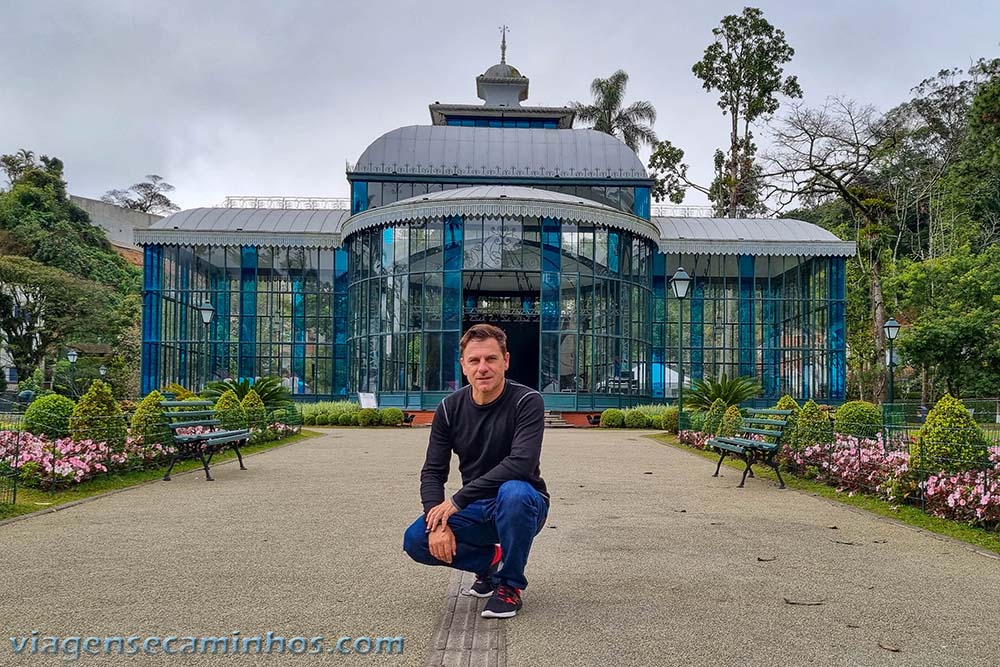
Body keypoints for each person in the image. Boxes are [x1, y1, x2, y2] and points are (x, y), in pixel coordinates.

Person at [402, 324, 549, 619]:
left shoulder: (527, 401)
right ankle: (489, 562)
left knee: (514, 491)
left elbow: (520, 463)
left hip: (523, 505)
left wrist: (456, 501)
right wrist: (438, 521)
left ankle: (510, 585)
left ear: (505, 361)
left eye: (491, 359)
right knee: (417, 539)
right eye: (474, 360)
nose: (483, 368)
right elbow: (432, 471)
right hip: (477, 507)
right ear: (463, 366)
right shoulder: (448, 409)